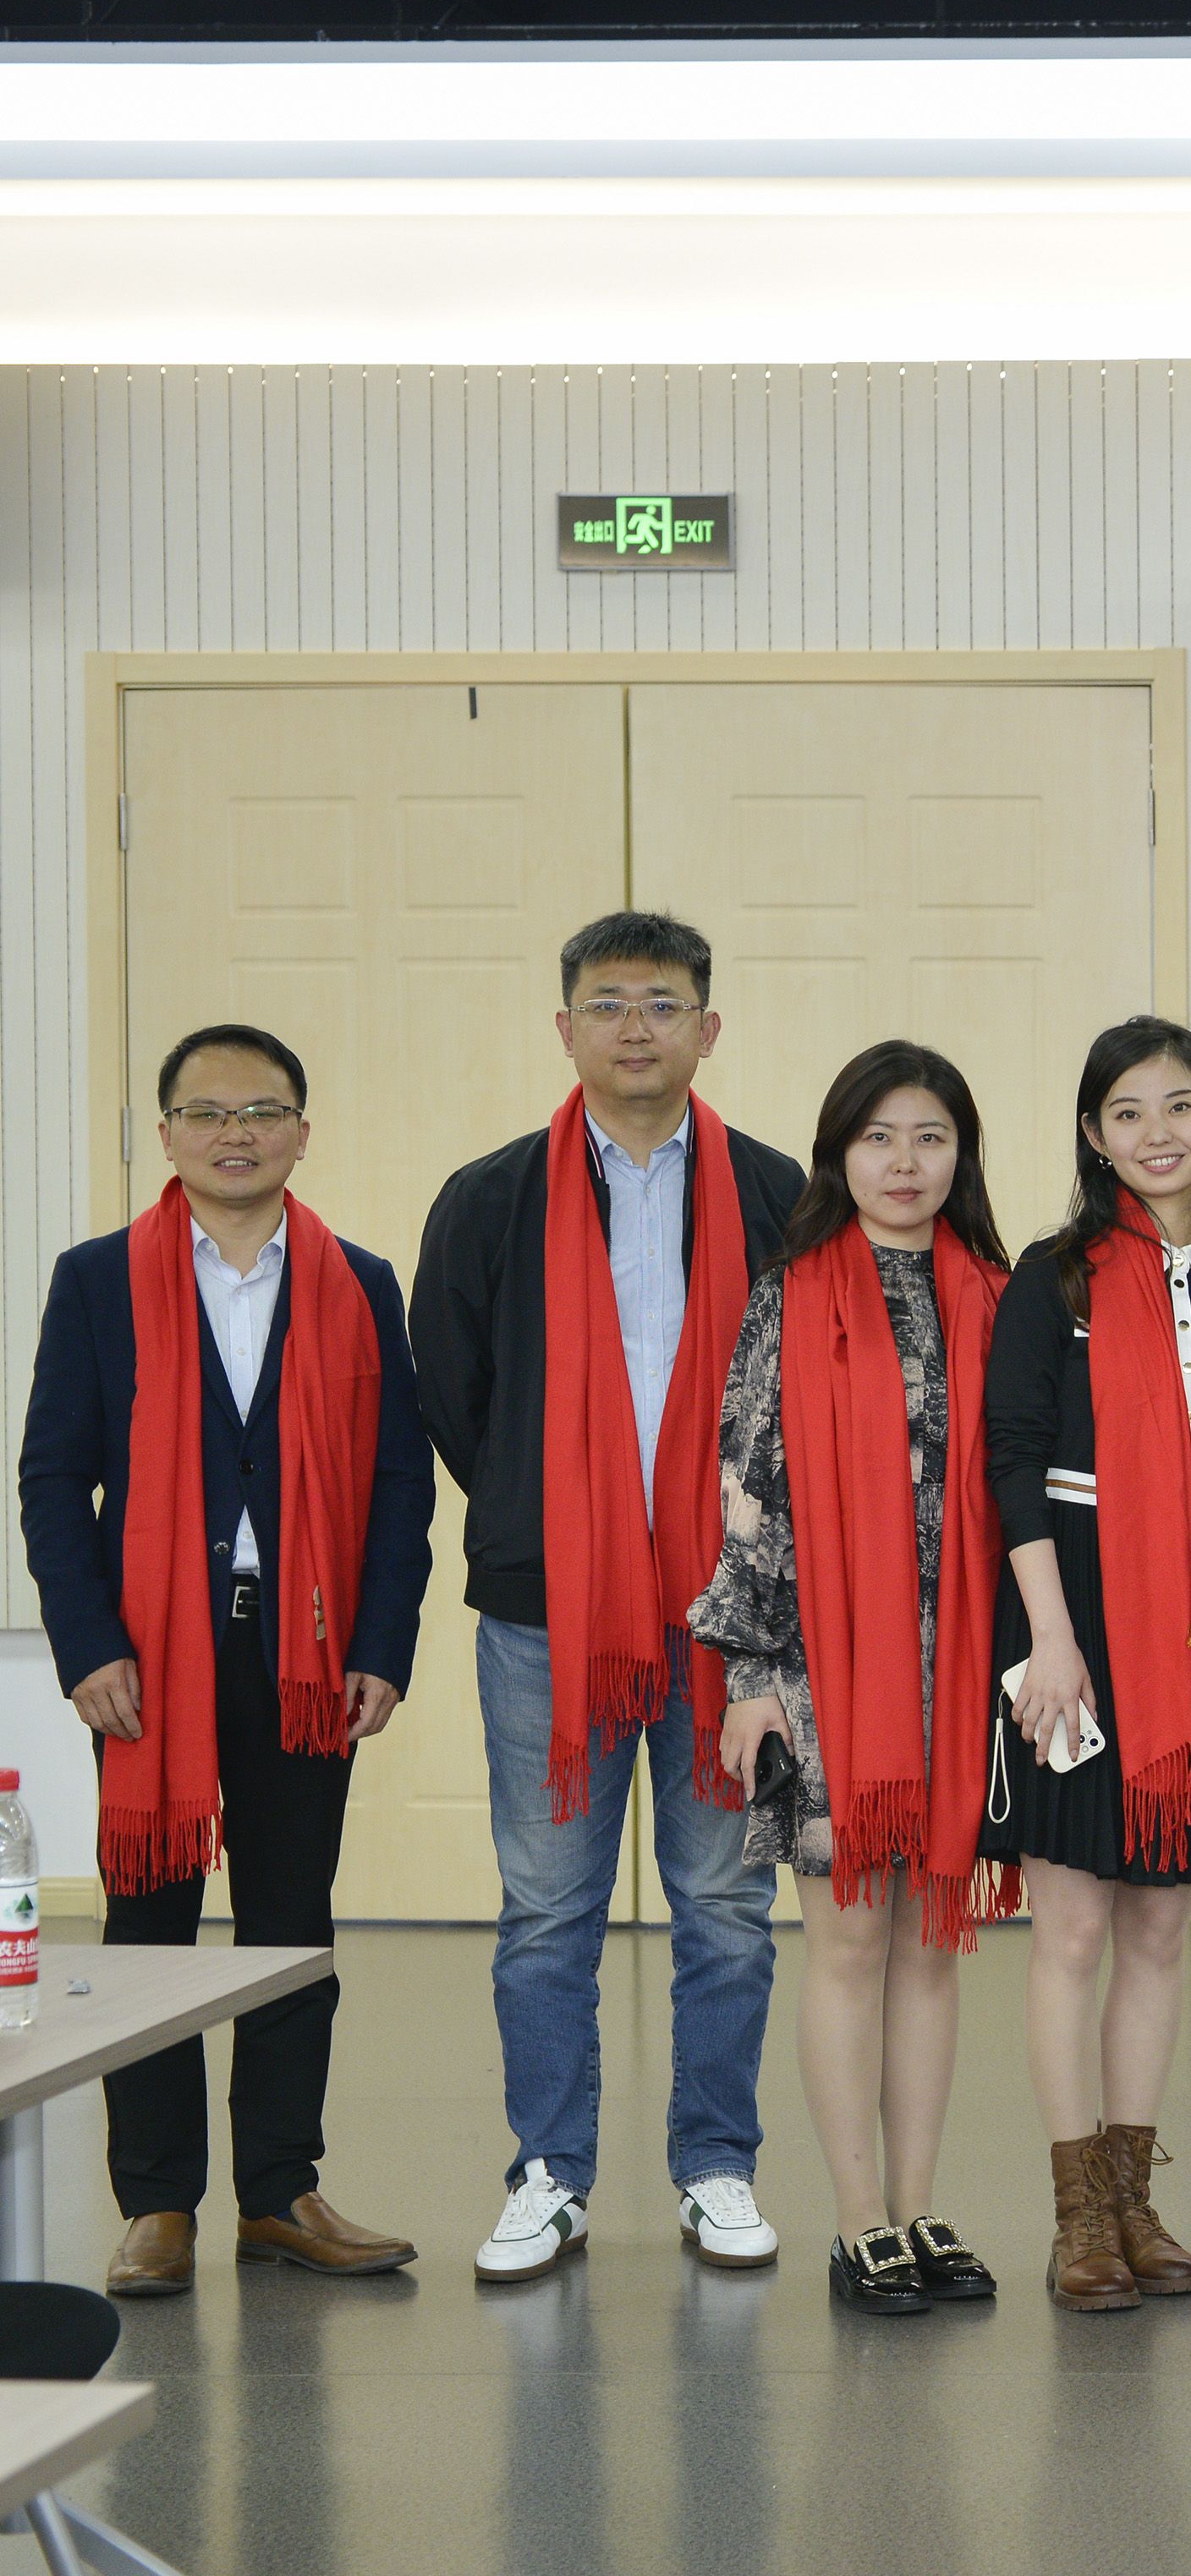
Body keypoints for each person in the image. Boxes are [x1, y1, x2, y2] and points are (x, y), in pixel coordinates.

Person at [413, 912, 802, 2286]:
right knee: (546, 1914)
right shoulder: (489, 1199)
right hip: (548, 1617)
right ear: (564, 1027)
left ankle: (716, 2166)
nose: (635, 1026)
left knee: (728, 1911)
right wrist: (549, 1523)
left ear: (710, 1027)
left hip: (730, 1619)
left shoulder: (776, 1192)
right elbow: (454, 1391)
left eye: (663, 1001)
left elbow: (807, 1395)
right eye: (607, 1002)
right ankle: (549, 2174)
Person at [17, 1023, 432, 2296]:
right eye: (206, 1113)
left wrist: (381, 1644)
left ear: (302, 1131)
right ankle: (156, 2204)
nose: (234, 1133)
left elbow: (399, 1482)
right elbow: (51, 1478)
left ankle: (277, 2192)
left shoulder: (359, 1281)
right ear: (167, 1136)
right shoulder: (99, 1279)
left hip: (306, 1653)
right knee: (146, 1929)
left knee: (289, 1927)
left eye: (261, 1111)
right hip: (149, 1657)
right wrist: (86, 1646)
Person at [690, 1044, 1017, 2317]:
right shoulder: (790, 1296)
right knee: (845, 1944)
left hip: (962, 1665)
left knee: (933, 1948)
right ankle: (858, 2222)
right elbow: (747, 1490)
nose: (903, 1162)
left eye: (929, 1136)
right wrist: (749, 1676)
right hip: (818, 1665)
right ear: (839, 1154)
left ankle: (920, 2209)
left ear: (961, 1154)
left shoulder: (997, 1292)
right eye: (877, 1137)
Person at [984, 1016, 1191, 2310]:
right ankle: (1076, 2221)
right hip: (1075, 1617)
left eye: (1181, 1107)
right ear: (1094, 1135)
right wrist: (1050, 1639)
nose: (1158, 1134)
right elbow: (1011, 1461)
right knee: (1071, 1930)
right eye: (1129, 1112)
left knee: (1162, 1925)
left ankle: (1134, 2201)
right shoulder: (1052, 1278)